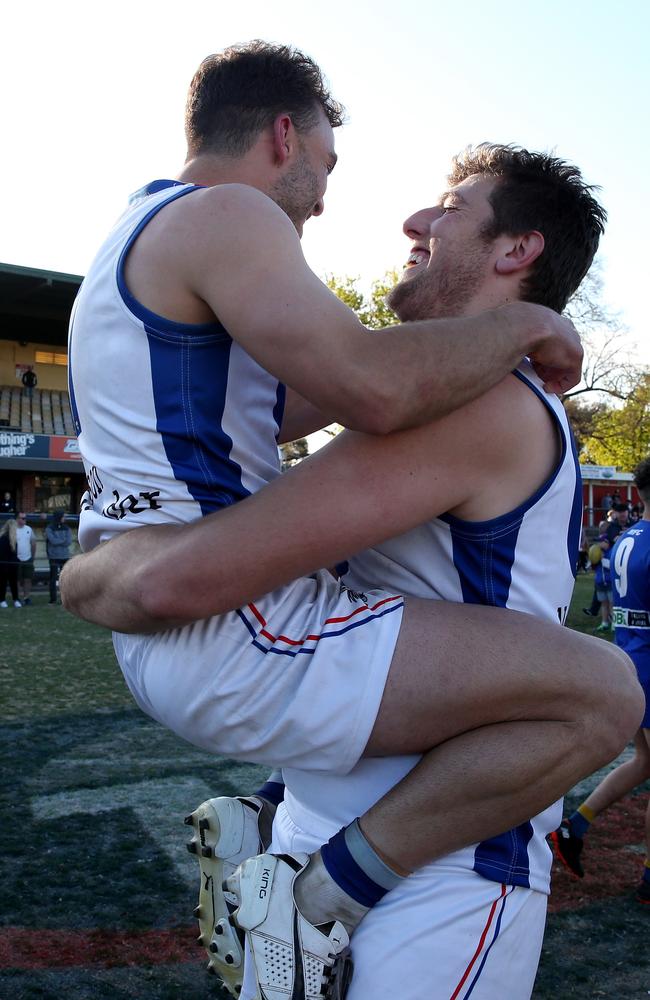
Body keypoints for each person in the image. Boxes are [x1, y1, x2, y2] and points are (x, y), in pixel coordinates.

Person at [59, 43, 642, 998]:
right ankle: (303, 872)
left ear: (516, 250)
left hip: (442, 860)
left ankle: (302, 874)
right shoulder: (231, 237)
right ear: (285, 134)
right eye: (329, 164)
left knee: (604, 689)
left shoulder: (481, 402)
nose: (407, 219)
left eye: (448, 208)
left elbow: (329, 411)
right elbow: (356, 390)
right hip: (349, 819)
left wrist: (101, 567)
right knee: (603, 689)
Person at [553, 457, 650, 907]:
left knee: (644, 761)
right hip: (649, 661)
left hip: (629, 657)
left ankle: (578, 825)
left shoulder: (627, 536)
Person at [46, 512, 71, 604]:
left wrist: (59, 541)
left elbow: (68, 541)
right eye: (63, 517)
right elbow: (52, 541)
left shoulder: (67, 528)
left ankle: (65, 599)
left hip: (65, 556)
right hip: (53, 557)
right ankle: (53, 599)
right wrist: (62, 541)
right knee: (53, 579)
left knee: (65, 579)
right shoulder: (49, 528)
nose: (64, 518)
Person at [15, 512, 36, 604]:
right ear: (17, 519)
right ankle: (17, 598)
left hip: (28, 558)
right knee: (17, 580)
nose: (24, 520)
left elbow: (33, 543)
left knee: (28, 579)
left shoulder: (29, 529)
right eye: (22, 518)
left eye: (25, 518)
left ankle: (26, 597)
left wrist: (32, 556)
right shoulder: (13, 530)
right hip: (16, 559)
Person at [0, 518, 21, 608]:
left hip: (12, 565)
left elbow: (14, 553)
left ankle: (16, 599)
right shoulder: (3, 538)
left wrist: (16, 561)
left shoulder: (14, 539)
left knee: (13, 583)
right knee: (2, 583)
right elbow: (2, 553)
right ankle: (2, 600)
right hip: (3, 565)